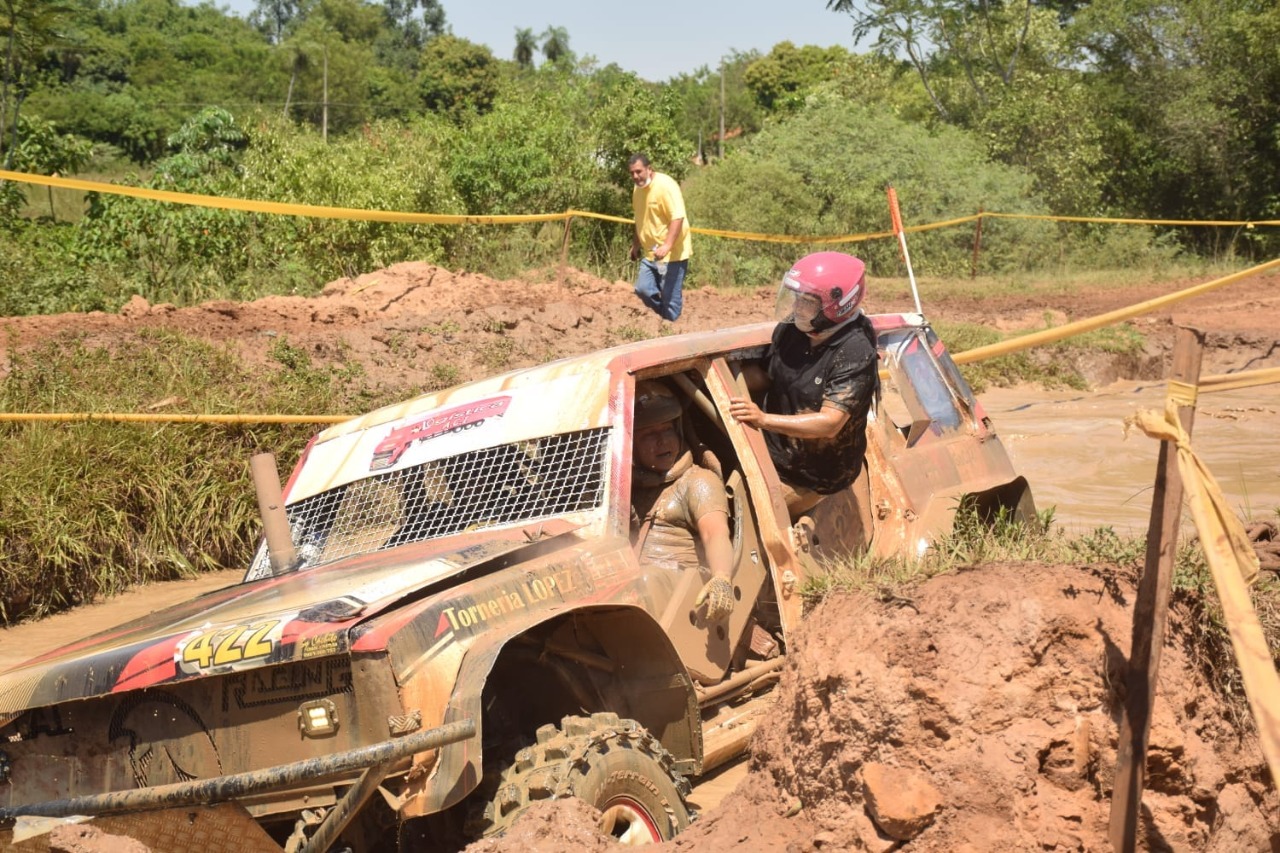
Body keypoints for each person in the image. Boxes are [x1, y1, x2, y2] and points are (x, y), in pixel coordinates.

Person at [728, 251, 879, 519]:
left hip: (812, 475)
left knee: (744, 516)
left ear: (837, 306)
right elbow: (768, 376)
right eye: (797, 298)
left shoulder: (854, 351)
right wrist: (726, 379)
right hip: (772, 453)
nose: (798, 308)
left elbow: (830, 423)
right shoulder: (792, 332)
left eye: (808, 302)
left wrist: (762, 419)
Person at [630, 380, 734, 621]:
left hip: (681, 590)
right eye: (649, 435)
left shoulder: (697, 480)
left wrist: (721, 578)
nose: (663, 441)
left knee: (646, 580)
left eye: (667, 430)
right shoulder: (629, 488)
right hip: (637, 589)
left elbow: (716, 533)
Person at [628, 154, 692, 322]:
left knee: (670, 300)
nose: (635, 176)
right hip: (652, 255)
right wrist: (635, 245)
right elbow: (639, 220)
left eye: (639, 171)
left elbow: (677, 217)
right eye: (632, 173)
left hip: (673, 256)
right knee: (642, 289)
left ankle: (671, 326)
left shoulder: (666, 185)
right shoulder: (637, 189)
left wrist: (667, 245)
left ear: (649, 169)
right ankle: (664, 321)